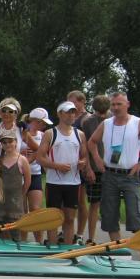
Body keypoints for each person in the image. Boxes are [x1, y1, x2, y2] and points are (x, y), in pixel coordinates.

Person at [88, 92, 140, 242]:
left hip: (130, 174)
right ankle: (118, 249)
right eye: (113, 105)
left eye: (119, 104)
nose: (116, 108)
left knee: (135, 214)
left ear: (127, 105)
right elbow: (92, 142)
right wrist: (97, 159)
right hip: (109, 174)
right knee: (109, 215)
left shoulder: (138, 123)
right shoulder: (106, 124)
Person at [36, 101, 89, 246]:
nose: (71, 115)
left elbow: (84, 156)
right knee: (53, 218)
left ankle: (67, 250)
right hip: (54, 182)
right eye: (68, 112)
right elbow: (40, 157)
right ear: (60, 114)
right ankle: (52, 247)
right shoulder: (50, 133)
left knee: (70, 218)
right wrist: (57, 166)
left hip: (73, 182)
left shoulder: (80, 134)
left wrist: (82, 162)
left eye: (73, 112)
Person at [0, 98, 39, 224]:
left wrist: (24, 163)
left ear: (16, 113)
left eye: (11, 111)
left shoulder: (21, 130)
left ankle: (11, 238)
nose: (7, 113)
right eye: (4, 110)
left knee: (14, 217)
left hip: (15, 177)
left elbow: (38, 149)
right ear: (0, 112)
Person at [0, 128, 31, 239]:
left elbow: (27, 181)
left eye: (10, 141)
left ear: (16, 142)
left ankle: (16, 248)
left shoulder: (22, 160)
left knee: (15, 233)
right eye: (4, 142)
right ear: (1, 144)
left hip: (15, 204)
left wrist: (21, 194)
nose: (7, 145)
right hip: (0, 202)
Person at [81, 94, 111, 245]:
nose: (102, 116)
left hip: (111, 168)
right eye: (100, 112)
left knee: (111, 204)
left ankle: (114, 239)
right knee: (94, 203)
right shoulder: (88, 122)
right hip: (94, 168)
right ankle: (91, 238)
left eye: (104, 112)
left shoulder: (114, 119)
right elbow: (85, 146)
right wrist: (88, 168)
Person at [22, 107, 51, 242]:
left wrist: (32, 157)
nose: (44, 125)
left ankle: (39, 242)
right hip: (20, 175)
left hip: (35, 174)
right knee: (22, 211)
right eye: (42, 123)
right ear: (35, 121)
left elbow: (42, 154)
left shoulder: (43, 135)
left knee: (35, 209)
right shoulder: (21, 133)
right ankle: (21, 242)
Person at [67, 90, 92, 242]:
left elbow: (89, 144)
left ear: (82, 102)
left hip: (81, 164)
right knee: (68, 201)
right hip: (68, 164)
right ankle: (67, 231)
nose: (70, 105)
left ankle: (80, 233)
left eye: (73, 102)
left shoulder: (86, 119)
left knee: (81, 200)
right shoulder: (69, 117)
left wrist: (87, 166)